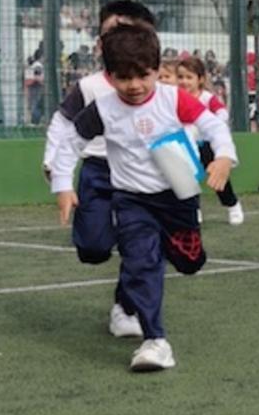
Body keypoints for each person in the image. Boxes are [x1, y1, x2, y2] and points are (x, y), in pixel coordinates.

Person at [62, 23, 237, 371]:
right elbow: (71, 143)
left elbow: (214, 125)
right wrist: (63, 185)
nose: (135, 86)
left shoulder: (174, 99)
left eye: (144, 75)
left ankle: (178, 250)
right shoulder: (103, 109)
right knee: (142, 262)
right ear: (110, 76)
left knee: (190, 262)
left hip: (178, 196)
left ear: (157, 70)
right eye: (124, 78)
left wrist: (223, 157)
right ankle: (155, 341)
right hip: (131, 200)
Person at [44, 0, 159, 346]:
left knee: (138, 244)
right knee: (93, 248)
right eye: (107, 33)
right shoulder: (90, 87)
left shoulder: (156, 84)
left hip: (139, 174)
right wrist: (53, 165)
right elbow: (63, 123)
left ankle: (126, 308)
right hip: (96, 170)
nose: (112, 40)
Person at [176, 57, 244, 225]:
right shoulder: (175, 97)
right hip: (186, 146)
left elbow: (222, 113)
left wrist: (211, 124)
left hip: (206, 144)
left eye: (189, 77)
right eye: (181, 77)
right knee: (188, 179)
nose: (184, 81)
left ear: (200, 79)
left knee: (218, 179)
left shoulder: (206, 98)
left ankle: (232, 204)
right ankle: (194, 209)